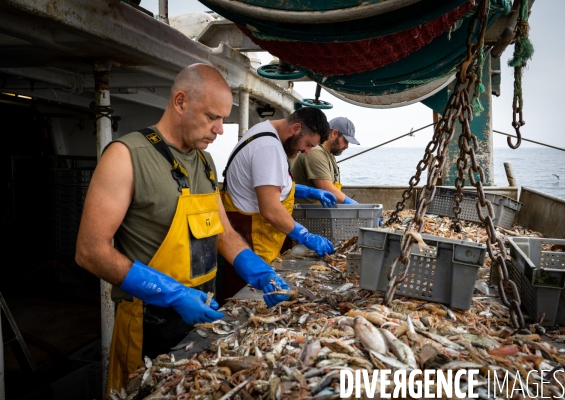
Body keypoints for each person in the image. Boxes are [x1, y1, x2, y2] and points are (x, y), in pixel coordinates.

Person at [75, 64, 290, 394]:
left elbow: (222, 231)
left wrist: (258, 271)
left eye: (223, 119)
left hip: (201, 314)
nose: (220, 129)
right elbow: (91, 251)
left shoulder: (205, 162)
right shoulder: (126, 156)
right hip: (147, 324)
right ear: (180, 102)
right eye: (212, 117)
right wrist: (172, 294)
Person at [219, 107, 337, 301]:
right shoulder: (269, 148)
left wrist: (308, 191)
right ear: (296, 128)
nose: (307, 151)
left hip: (258, 234)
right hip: (252, 239)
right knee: (246, 300)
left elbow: (268, 184)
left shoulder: (264, 132)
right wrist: (305, 236)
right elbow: (271, 209)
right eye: (308, 144)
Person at [291, 117, 360, 204]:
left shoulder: (329, 155)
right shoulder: (315, 152)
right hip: (306, 214)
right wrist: (354, 205)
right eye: (345, 141)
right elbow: (327, 189)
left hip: (320, 213)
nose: (347, 146)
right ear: (334, 133)